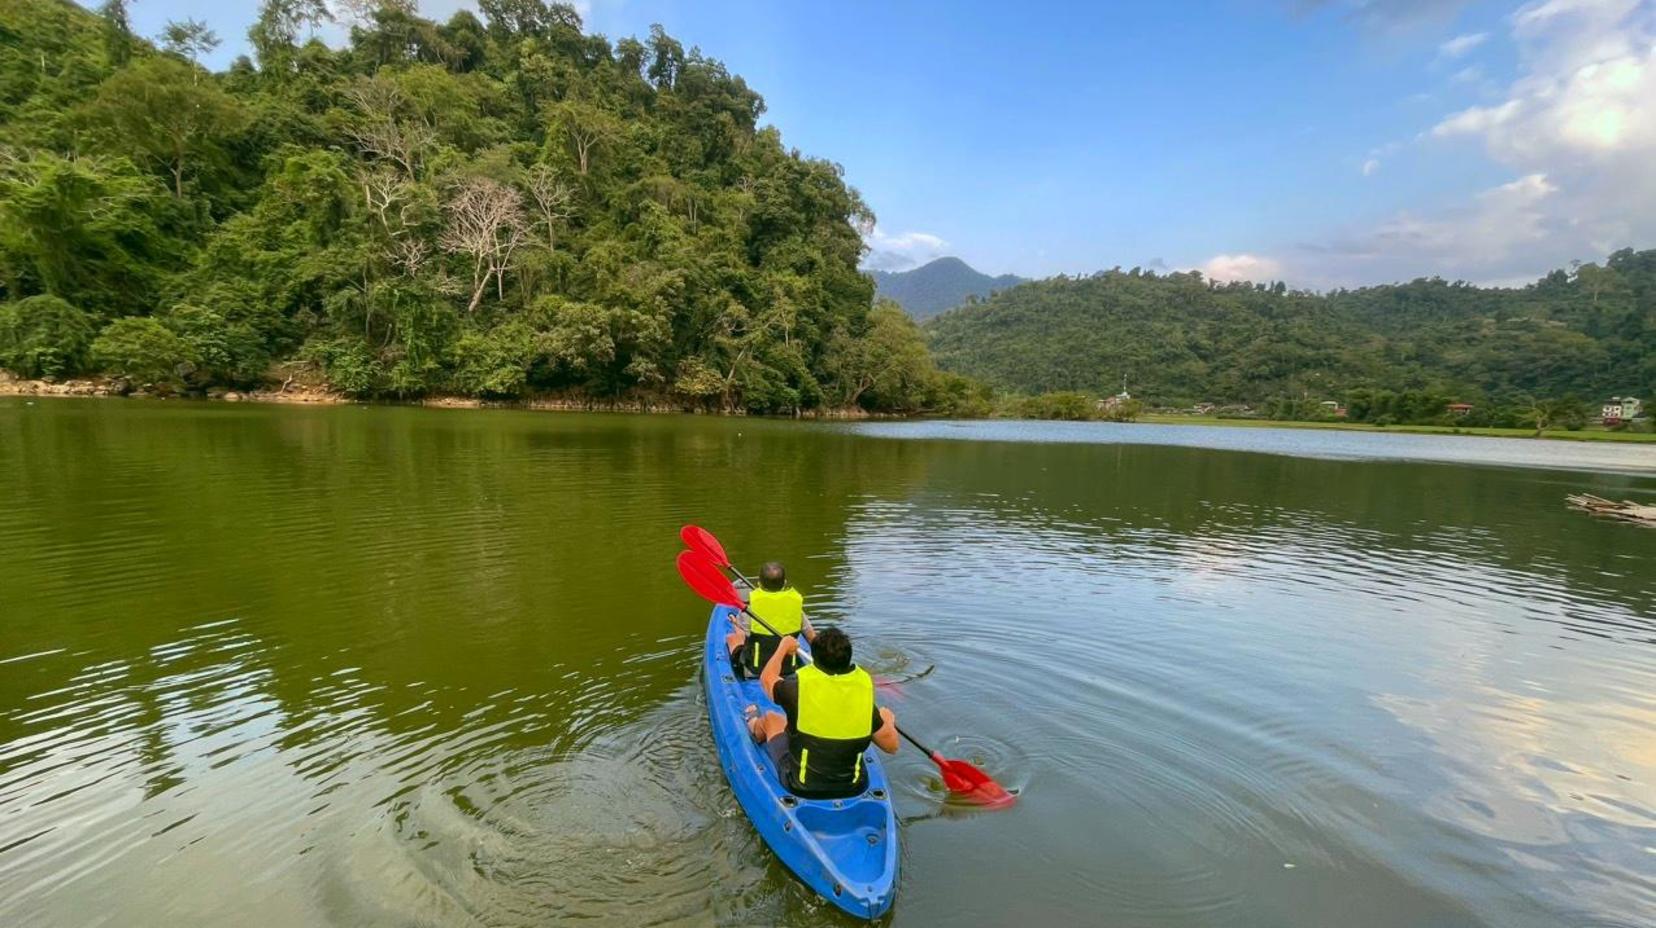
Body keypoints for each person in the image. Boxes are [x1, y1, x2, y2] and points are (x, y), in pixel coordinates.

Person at [746, 626, 899, 799]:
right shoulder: (862, 694)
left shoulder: (795, 689)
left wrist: (783, 647)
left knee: (772, 719)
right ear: (848, 659)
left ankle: (754, 727)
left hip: (801, 786)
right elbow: (892, 746)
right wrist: (887, 722)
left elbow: (767, 679)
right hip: (854, 787)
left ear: (815, 660)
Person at [724, 561, 815, 678]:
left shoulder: (750, 611)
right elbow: (812, 638)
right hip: (789, 669)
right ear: (785, 583)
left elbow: (743, 633)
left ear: (759, 584)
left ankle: (737, 674)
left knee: (733, 638)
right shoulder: (796, 609)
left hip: (756, 671)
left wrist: (734, 620)